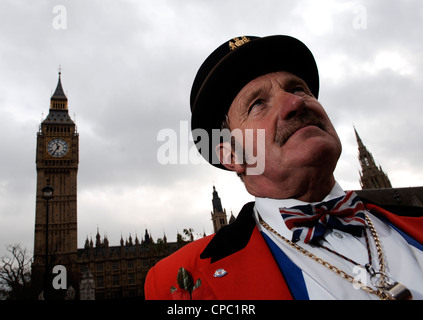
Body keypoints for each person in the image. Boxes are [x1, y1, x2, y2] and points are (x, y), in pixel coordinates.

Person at [145, 35, 423, 300]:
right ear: (231, 154)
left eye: (298, 88)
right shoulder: (179, 278)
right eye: (258, 104)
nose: (295, 102)